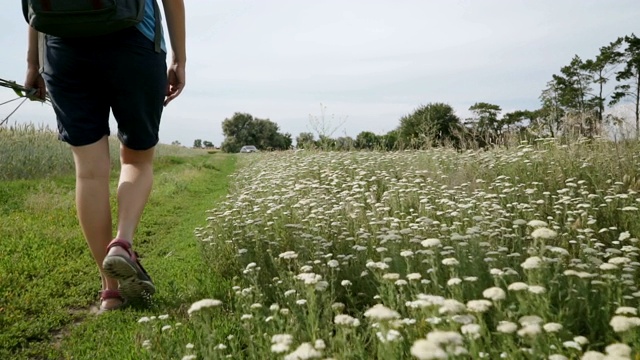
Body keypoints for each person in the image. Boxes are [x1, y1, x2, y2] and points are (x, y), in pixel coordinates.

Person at [23, 0, 186, 312]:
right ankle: (122, 244)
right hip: (135, 39)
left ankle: (110, 290)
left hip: (62, 47)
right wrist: (179, 59)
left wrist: (33, 64)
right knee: (136, 159)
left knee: (89, 172)